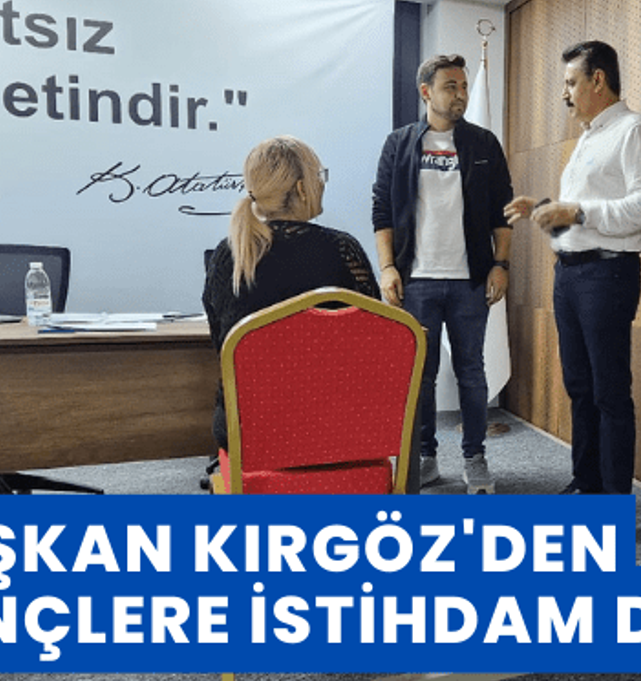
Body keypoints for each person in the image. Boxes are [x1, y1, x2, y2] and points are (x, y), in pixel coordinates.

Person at [504, 40, 641, 495]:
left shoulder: (635, 130)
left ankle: (613, 502)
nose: (565, 93)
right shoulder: (588, 138)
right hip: (571, 275)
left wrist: (574, 211)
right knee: (579, 385)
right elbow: (585, 214)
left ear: (598, 80)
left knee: (609, 391)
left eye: (571, 82)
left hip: (607, 276)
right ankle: (586, 484)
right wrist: (544, 208)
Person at [372, 54, 513, 494]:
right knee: (422, 374)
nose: (461, 95)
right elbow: (382, 210)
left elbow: (502, 212)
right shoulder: (399, 144)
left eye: (464, 86)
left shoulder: (483, 143)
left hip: (470, 279)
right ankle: (426, 456)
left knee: (471, 371)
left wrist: (501, 264)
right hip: (417, 280)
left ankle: (475, 458)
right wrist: (388, 267)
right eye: (451, 86)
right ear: (426, 91)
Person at [203, 135, 378, 451]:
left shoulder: (227, 255)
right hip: (335, 424)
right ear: (301, 188)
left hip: (247, 428)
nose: (322, 184)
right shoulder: (342, 250)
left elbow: (223, 344)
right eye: (319, 176)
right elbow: (374, 340)